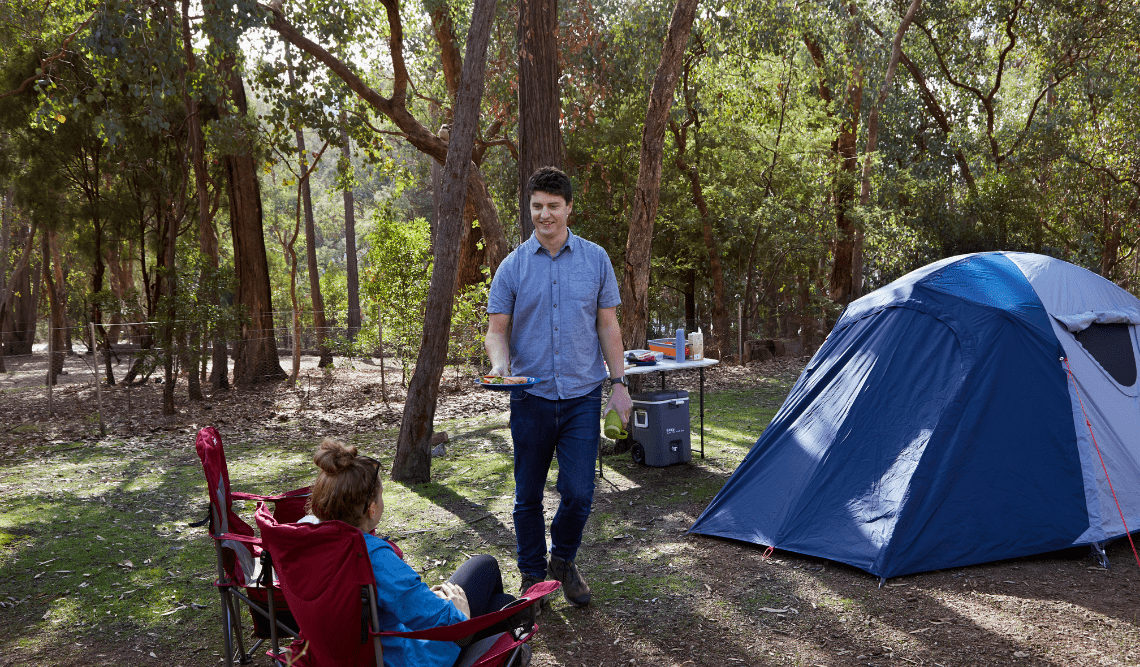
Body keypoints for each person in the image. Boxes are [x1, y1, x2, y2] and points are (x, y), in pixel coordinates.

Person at [484, 166, 633, 608]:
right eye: (536, 207)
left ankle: (562, 562)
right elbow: (497, 331)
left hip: (582, 397)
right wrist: (499, 364)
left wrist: (619, 384)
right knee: (527, 495)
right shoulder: (512, 266)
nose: (544, 215)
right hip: (529, 397)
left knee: (580, 494)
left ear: (569, 207)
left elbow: (609, 327)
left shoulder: (596, 259)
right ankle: (533, 575)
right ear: (529, 208)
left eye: (553, 206)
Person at [308, 438, 524, 667]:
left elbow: (402, 601)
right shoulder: (371, 556)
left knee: (502, 602)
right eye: (381, 496)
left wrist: (425, 599)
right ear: (371, 509)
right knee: (488, 570)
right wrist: (458, 613)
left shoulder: (311, 545)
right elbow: (454, 629)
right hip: (402, 657)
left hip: (346, 653)